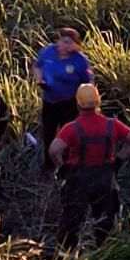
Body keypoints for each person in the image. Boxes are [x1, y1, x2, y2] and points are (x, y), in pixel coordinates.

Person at [49, 83, 130, 250]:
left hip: (77, 181)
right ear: (98, 101)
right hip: (105, 179)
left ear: (77, 104)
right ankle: (103, 258)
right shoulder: (112, 124)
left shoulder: (71, 128)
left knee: (71, 225)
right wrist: (118, 162)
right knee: (105, 224)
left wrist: (62, 168)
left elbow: (54, 150)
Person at [34, 28, 94, 172]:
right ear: (58, 41)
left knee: (68, 134)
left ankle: (68, 164)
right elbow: (37, 66)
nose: (67, 46)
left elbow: (89, 81)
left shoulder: (79, 60)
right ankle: (49, 164)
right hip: (49, 100)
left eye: (70, 43)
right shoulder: (47, 52)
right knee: (48, 132)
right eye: (64, 42)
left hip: (69, 102)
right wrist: (39, 78)